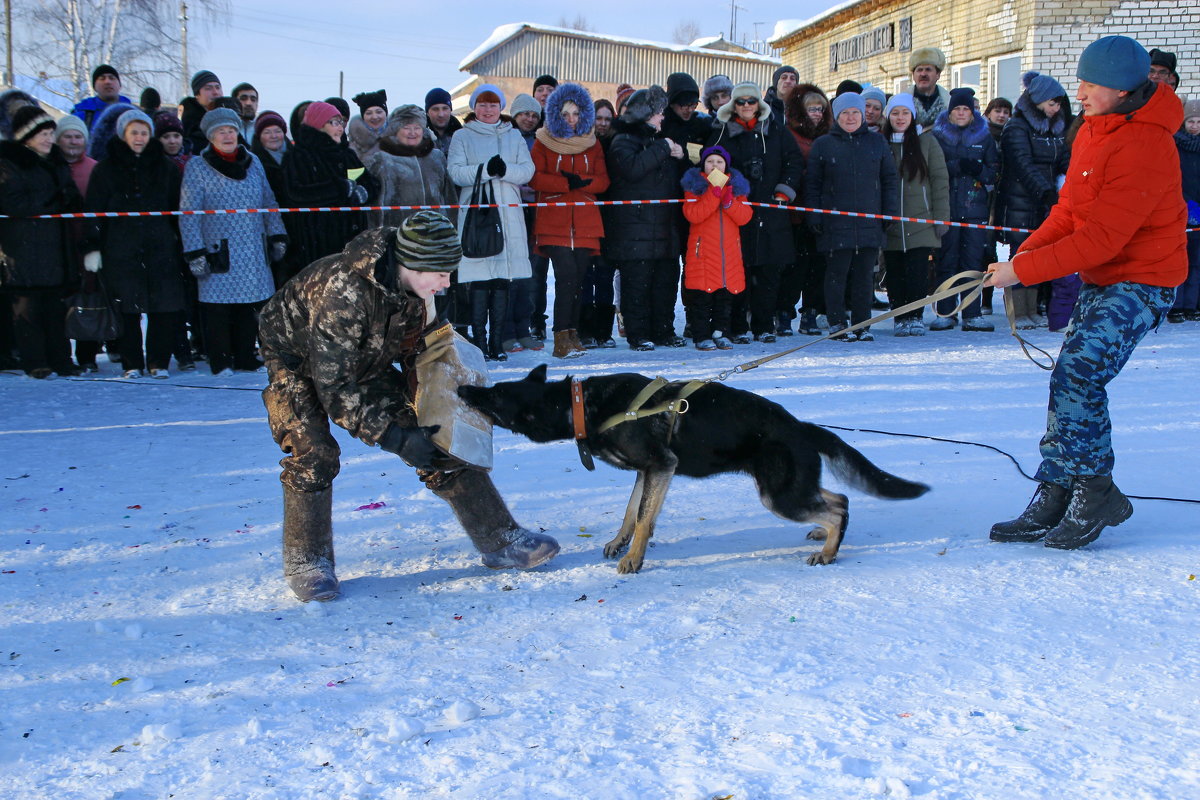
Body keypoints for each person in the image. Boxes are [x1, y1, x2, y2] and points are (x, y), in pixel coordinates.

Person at [259, 212, 560, 602]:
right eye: (440, 273)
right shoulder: (343, 293)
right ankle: (307, 562)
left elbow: (430, 347)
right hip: (297, 360)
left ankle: (500, 538)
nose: (447, 282)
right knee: (314, 454)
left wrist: (434, 402)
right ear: (411, 265)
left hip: (367, 357)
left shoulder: (425, 291)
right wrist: (395, 437)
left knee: (434, 432)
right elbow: (334, 386)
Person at [985, 35, 1186, 550]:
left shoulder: (1147, 143)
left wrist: (1023, 274)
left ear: (1121, 89)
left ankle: (1094, 490)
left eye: (1092, 84)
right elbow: (1070, 214)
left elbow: (1102, 238)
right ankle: (1057, 487)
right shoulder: (1095, 129)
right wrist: (1021, 258)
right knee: (1068, 377)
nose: (1081, 91)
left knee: (1081, 373)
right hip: (1105, 274)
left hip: (1144, 278)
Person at [179, 107, 287, 376]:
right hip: (218, 248)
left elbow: (268, 202)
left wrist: (276, 234)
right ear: (210, 136)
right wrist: (195, 252)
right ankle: (221, 360)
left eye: (231, 130)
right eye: (220, 131)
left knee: (249, 305)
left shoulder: (253, 161)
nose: (227, 135)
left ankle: (245, 357)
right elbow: (188, 213)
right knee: (218, 309)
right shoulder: (197, 166)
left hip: (252, 246)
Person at [83, 109, 186, 379]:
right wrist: (92, 246)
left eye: (144, 132)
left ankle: (158, 361)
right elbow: (94, 209)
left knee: (163, 306)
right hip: (120, 247)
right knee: (127, 308)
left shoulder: (165, 167)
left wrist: (180, 241)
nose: (139, 138)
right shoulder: (105, 169)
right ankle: (131, 362)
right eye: (134, 132)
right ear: (123, 134)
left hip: (160, 246)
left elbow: (178, 209)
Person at [708, 80, 804, 343]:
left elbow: (794, 162)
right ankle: (738, 326)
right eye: (741, 102)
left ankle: (764, 325)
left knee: (769, 273)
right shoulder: (721, 132)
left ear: (758, 104)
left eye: (751, 101)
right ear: (734, 106)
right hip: (735, 212)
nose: (747, 106)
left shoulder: (777, 130)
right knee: (738, 272)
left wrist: (784, 191)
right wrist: (725, 191)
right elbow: (710, 163)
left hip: (772, 212)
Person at [446, 84, 534, 361]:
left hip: (508, 213)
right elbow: (456, 172)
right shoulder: (462, 135)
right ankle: (480, 342)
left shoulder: (514, 136)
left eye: (493, 104)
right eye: (482, 104)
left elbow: (528, 170)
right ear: (474, 107)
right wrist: (485, 171)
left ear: (501, 108)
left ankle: (497, 342)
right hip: (477, 214)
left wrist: (505, 170)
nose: (487, 110)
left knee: (502, 280)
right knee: (480, 279)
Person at [804, 93, 900, 341]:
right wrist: (814, 215)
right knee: (836, 275)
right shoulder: (824, 144)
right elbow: (812, 184)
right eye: (845, 113)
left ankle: (862, 324)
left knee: (864, 276)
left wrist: (889, 213)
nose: (850, 117)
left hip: (869, 223)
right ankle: (837, 323)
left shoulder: (877, 143)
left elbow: (889, 180)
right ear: (837, 116)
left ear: (863, 115)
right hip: (835, 223)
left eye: (855, 112)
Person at [529, 82, 610, 359]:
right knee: (565, 279)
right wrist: (564, 183)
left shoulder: (592, 143)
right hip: (554, 220)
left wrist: (584, 182)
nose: (571, 119)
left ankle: (573, 333)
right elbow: (534, 176)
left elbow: (603, 180)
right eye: (565, 114)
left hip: (586, 222)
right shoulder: (543, 141)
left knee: (578, 280)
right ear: (556, 115)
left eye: (576, 114)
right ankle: (560, 336)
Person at [0, 107, 82, 378]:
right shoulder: (10, 162)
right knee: (28, 309)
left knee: (56, 309)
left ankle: (61, 359)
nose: (49, 139)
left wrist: (70, 200)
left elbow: (68, 195)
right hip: (22, 249)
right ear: (27, 136)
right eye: (43, 134)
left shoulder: (56, 162)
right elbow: (13, 203)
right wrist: (54, 202)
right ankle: (35, 361)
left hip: (55, 247)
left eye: (50, 133)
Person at [604, 85, 686, 350]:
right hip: (634, 230)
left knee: (665, 283)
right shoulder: (623, 140)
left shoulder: (661, 141)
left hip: (665, 227)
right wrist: (663, 148)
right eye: (658, 113)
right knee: (636, 285)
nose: (663, 118)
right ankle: (638, 334)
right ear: (644, 114)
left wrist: (682, 156)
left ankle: (664, 330)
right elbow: (632, 169)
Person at [995, 71, 1073, 330]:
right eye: (1052, 103)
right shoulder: (1016, 127)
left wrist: (1067, 176)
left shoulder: (1056, 126)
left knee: (1039, 253)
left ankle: (1033, 307)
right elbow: (1022, 165)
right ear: (1038, 100)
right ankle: (1018, 310)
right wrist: (1046, 192)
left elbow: (1061, 156)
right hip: (1019, 201)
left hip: (1046, 201)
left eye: (1059, 104)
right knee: (1020, 252)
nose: (1056, 108)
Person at [880, 93, 950, 337]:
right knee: (895, 272)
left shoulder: (926, 142)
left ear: (912, 115)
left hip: (922, 219)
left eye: (905, 113)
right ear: (888, 116)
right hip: (889, 222)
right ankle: (900, 316)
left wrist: (941, 217)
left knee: (917, 273)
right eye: (896, 113)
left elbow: (940, 181)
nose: (900, 118)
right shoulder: (881, 142)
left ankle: (916, 316)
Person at [930, 87, 998, 331]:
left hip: (974, 209)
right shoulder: (937, 137)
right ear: (949, 112)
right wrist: (956, 166)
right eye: (956, 109)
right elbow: (932, 170)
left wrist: (978, 169)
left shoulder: (985, 137)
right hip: (946, 207)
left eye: (965, 109)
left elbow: (993, 172)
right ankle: (946, 312)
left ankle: (972, 312)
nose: (961, 113)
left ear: (972, 112)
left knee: (972, 263)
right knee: (946, 261)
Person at [280, 101, 376, 271]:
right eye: (334, 122)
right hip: (317, 242)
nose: (340, 128)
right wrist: (339, 189)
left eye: (341, 122)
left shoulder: (346, 154)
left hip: (352, 240)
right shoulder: (299, 156)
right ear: (318, 125)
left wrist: (364, 192)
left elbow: (369, 182)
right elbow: (295, 193)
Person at [681, 144, 752, 350]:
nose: (714, 165)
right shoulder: (694, 186)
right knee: (702, 298)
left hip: (728, 253)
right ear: (703, 164)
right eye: (710, 161)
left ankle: (721, 332)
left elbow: (745, 217)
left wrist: (729, 202)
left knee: (725, 297)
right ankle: (701, 335)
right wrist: (714, 194)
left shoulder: (736, 187)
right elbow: (694, 214)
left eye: (719, 162)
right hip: (703, 252)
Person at [783, 84, 832, 336]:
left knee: (817, 266)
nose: (817, 114)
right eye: (812, 108)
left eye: (821, 109)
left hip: (821, 210)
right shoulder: (789, 134)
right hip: (794, 211)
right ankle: (784, 312)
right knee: (793, 266)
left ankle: (811, 313)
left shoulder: (829, 136)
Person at [502, 93, 544, 352]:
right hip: (509, 208)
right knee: (509, 273)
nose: (528, 119)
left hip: (534, 210)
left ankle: (524, 327)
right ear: (515, 115)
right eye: (524, 114)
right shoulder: (504, 138)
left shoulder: (541, 140)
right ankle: (506, 330)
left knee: (528, 272)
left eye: (533, 115)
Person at [1170, 98, 1200, 322]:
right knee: (1180, 259)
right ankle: (1176, 305)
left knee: (1196, 262)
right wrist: (1186, 201)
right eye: (1191, 120)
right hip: (1180, 208)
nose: (1195, 126)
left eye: (1199, 121)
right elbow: (1173, 177)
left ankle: (1192, 305)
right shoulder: (1176, 145)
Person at [71, 64, 132, 130]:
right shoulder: (82, 115)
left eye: (112, 78)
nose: (107, 82)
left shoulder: (132, 113)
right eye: (102, 78)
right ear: (94, 87)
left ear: (119, 85)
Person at [181, 70, 223, 156]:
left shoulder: (229, 118)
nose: (215, 92)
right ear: (197, 95)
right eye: (208, 88)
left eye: (218, 87)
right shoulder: (189, 126)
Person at [909, 47, 950, 128]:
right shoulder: (900, 102)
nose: (923, 74)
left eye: (928, 70)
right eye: (919, 70)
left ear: (938, 75)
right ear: (913, 75)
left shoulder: (949, 103)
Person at [348, 89, 388, 163]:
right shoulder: (353, 145)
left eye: (379, 112)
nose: (375, 117)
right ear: (363, 116)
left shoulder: (399, 136)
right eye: (369, 113)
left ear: (385, 113)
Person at [424, 88, 461, 157]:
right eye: (435, 109)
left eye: (445, 108)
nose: (441, 114)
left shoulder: (463, 137)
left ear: (450, 110)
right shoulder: (418, 138)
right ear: (427, 113)